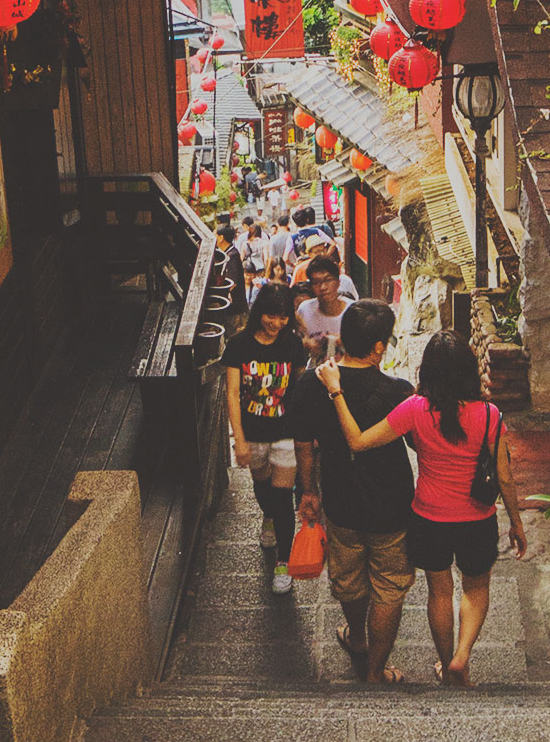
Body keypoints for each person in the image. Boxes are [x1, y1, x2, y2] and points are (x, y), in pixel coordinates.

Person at [318, 329, 527, 686]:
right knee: (475, 589)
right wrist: (517, 524)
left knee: (439, 592)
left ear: (426, 370)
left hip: (429, 516)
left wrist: (336, 390)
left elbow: (358, 440)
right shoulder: (491, 416)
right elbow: (505, 478)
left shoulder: (415, 410)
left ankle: (447, 665)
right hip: (477, 518)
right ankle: (462, 658)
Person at [290, 301, 415, 685]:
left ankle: (357, 637)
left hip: (340, 500)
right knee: (389, 584)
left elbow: (304, 444)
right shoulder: (398, 391)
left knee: (348, 578)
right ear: (379, 347)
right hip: (391, 504)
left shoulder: (312, 384)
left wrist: (308, 491)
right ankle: (376, 671)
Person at [223, 282, 306, 594]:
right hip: (253, 430)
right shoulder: (239, 345)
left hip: (286, 431)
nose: (277, 323)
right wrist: (239, 440)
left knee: (283, 497)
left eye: (283, 317)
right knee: (262, 488)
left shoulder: (293, 344)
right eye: (271, 316)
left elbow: (298, 389)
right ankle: (267, 517)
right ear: (260, 313)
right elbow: (232, 394)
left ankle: (283, 562)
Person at [296, 255, 353, 362]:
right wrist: (306, 344)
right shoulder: (305, 310)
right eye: (316, 282)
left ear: (338, 282)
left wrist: (344, 341)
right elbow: (298, 340)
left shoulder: (353, 311)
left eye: (328, 280)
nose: (323, 287)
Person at [291, 238, 359, 301]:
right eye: (317, 252)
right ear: (309, 254)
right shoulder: (300, 269)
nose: (322, 254)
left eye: (323, 250)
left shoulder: (340, 275)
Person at [215, 224, 248, 335]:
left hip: (236, 310)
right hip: (232, 310)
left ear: (221, 237)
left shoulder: (232, 255)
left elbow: (232, 283)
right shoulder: (226, 254)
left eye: (215, 234)